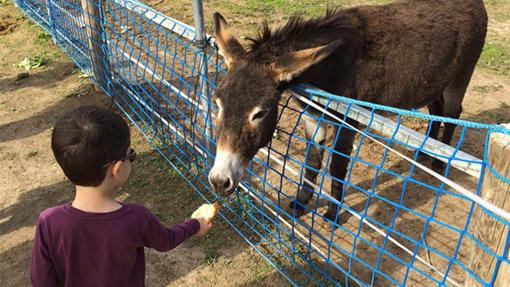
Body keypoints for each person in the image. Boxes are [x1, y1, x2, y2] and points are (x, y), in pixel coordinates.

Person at [30, 105, 214, 286]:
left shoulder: (49, 221)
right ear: (117, 169)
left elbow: (41, 281)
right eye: (130, 155)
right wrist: (195, 224)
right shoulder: (136, 218)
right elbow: (166, 240)